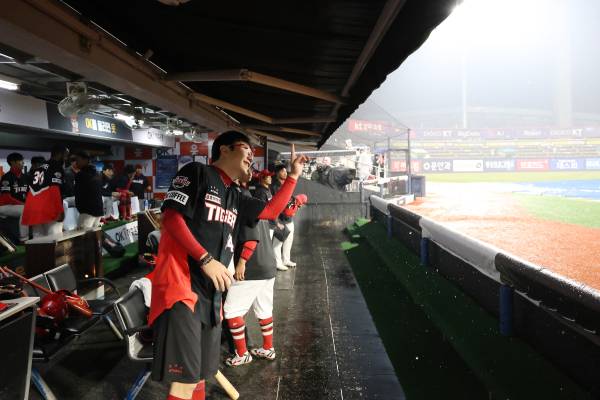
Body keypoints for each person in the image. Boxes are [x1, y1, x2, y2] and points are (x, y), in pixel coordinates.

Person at [149, 131, 307, 400]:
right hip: (181, 288)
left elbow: (271, 211)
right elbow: (172, 218)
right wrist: (205, 259)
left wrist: (292, 177)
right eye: (246, 149)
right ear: (224, 149)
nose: (251, 156)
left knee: (201, 374)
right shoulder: (197, 172)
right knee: (184, 381)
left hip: (211, 296)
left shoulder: (234, 194)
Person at [22, 145, 68, 238]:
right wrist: (60, 210)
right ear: (60, 154)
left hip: (34, 208)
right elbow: (54, 189)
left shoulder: (40, 167)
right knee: (54, 238)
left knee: (38, 240)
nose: (66, 158)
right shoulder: (56, 166)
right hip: (48, 207)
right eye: (65, 155)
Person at [0, 153, 29, 242]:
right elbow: (6, 198)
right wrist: (24, 204)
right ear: (13, 163)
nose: (23, 163)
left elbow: (29, 194)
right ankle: (24, 239)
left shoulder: (25, 177)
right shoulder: (7, 177)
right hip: (4, 206)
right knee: (25, 209)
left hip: (19, 206)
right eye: (20, 161)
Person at [73, 150, 103, 230]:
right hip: (98, 210)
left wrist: (80, 208)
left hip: (87, 212)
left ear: (85, 160)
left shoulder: (81, 175)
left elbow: (78, 193)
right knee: (94, 235)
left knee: (82, 235)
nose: (76, 162)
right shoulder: (97, 173)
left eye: (78, 160)